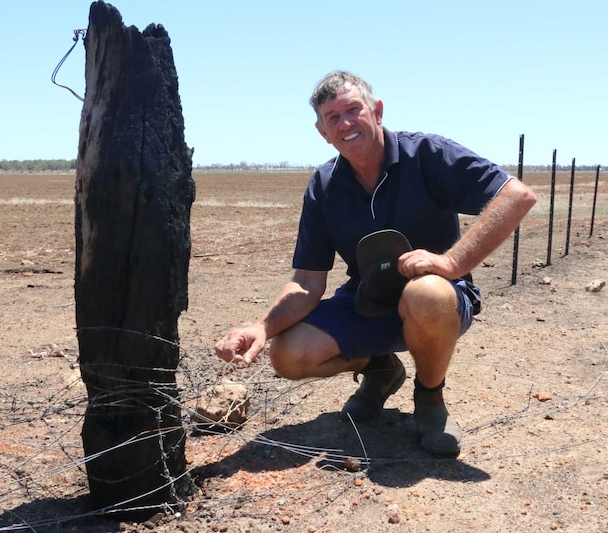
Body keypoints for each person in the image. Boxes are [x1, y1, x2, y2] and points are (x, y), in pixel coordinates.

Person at [215, 70, 537, 456]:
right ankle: (381, 370)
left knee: (427, 293)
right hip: (367, 299)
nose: (346, 123)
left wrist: (451, 262)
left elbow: (516, 196)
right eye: (333, 117)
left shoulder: (427, 155)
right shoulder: (325, 186)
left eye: (354, 109)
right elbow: (306, 282)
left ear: (377, 111)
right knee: (286, 354)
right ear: (322, 131)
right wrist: (261, 326)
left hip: (440, 300)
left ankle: (430, 398)